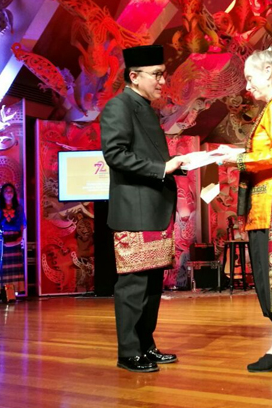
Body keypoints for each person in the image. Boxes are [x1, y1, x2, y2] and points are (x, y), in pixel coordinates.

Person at [100, 44, 187, 373]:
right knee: (133, 286)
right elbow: (115, 154)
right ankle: (128, 352)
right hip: (135, 211)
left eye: (163, 74)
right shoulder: (119, 106)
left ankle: (146, 345)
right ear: (134, 76)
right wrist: (162, 168)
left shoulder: (145, 109)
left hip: (153, 209)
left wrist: (175, 164)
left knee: (151, 286)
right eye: (157, 75)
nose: (163, 81)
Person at [221, 46, 272, 372]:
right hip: (265, 206)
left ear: (268, 71)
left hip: (271, 207)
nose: (247, 86)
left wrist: (238, 158)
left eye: (250, 77)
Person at [0, 182, 26, 295]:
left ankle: (15, 292)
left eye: (11, 191)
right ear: (2, 193)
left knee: (15, 268)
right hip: (2, 239)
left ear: (14, 193)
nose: (9, 193)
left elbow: (22, 224)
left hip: (15, 238)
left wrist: (20, 237)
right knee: (3, 267)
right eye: (6, 191)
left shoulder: (19, 208)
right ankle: (2, 292)